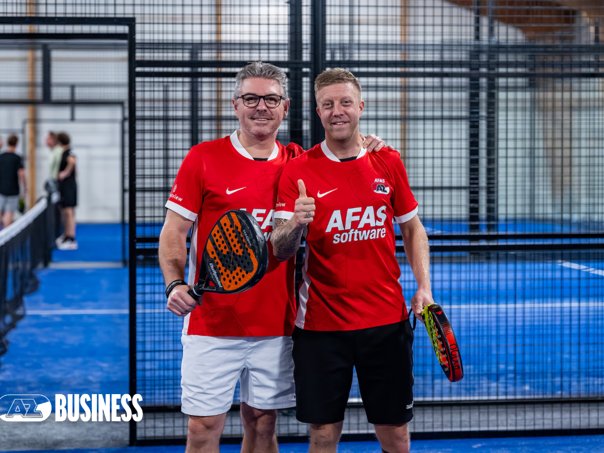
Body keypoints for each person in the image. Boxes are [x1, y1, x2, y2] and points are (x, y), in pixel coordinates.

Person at [159, 61, 388, 453]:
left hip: (277, 324)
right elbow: (173, 231)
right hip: (212, 321)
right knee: (203, 427)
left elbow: (342, 146)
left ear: (286, 107)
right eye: (251, 98)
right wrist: (175, 283)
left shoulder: (300, 161)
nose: (261, 107)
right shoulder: (203, 158)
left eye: (270, 99)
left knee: (263, 423)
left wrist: (369, 145)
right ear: (235, 104)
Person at [272, 69, 434, 453]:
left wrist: (424, 287)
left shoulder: (387, 160)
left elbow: (412, 228)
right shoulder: (298, 170)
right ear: (318, 112)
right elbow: (280, 249)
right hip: (321, 325)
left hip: (386, 322)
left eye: (345, 102)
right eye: (328, 104)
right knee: (323, 434)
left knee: (395, 435)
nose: (337, 111)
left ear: (361, 106)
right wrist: (296, 222)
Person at [55, 132, 78, 250]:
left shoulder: (68, 153)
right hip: (69, 185)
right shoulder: (68, 152)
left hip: (68, 186)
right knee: (67, 211)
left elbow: (72, 162)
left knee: (69, 211)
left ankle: (70, 238)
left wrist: (65, 173)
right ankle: (67, 235)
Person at [0, 135, 26, 228]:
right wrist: (25, 188)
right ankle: (6, 236)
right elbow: (22, 174)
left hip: (1, 189)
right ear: (16, 144)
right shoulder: (17, 158)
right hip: (13, 190)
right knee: (9, 214)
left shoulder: (1, 157)